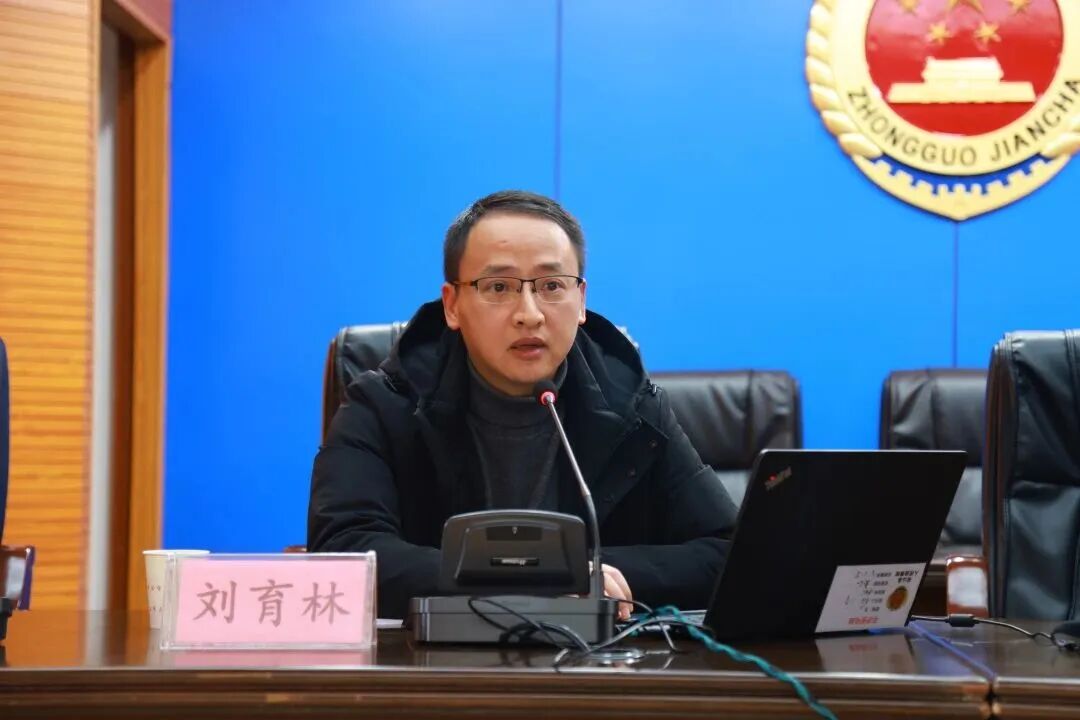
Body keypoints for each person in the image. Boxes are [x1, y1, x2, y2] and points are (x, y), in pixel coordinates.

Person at [307, 190, 736, 619]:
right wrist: (534, 579)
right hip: (435, 656)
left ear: (581, 301)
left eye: (552, 286)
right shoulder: (384, 404)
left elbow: (728, 551)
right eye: (499, 287)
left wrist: (596, 576)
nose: (529, 314)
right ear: (452, 305)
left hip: (592, 657)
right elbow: (343, 552)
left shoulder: (633, 408)